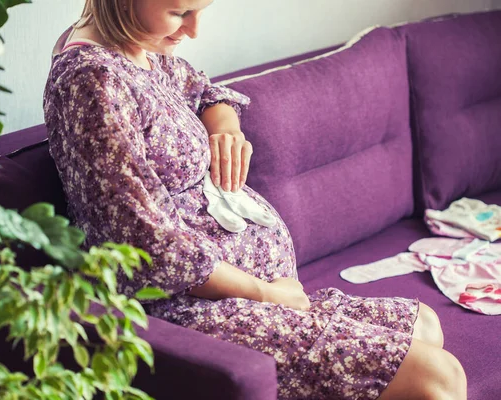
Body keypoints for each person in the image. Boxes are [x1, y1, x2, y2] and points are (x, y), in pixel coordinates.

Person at [43, 1, 467, 399]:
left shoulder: (140, 47)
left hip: (246, 295)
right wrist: (265, 294)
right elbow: (142, 243)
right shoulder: (91, 80)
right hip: (186, 308)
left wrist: (225, 127)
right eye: (179, 12)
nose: (193, 30)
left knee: (425, 326)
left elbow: (206, 92)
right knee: (438, 378)